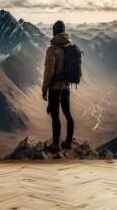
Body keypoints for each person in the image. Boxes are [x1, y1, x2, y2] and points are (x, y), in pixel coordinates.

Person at [42, 20, 74, 153]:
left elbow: (48, 72)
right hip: (66, 87)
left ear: (54, 32)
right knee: (67, 114)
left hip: (55, 89)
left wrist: (44, 89)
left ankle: (56, 144)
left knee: (55, 116)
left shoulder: (52, 50)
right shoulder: (69, 47)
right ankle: (68, 142)